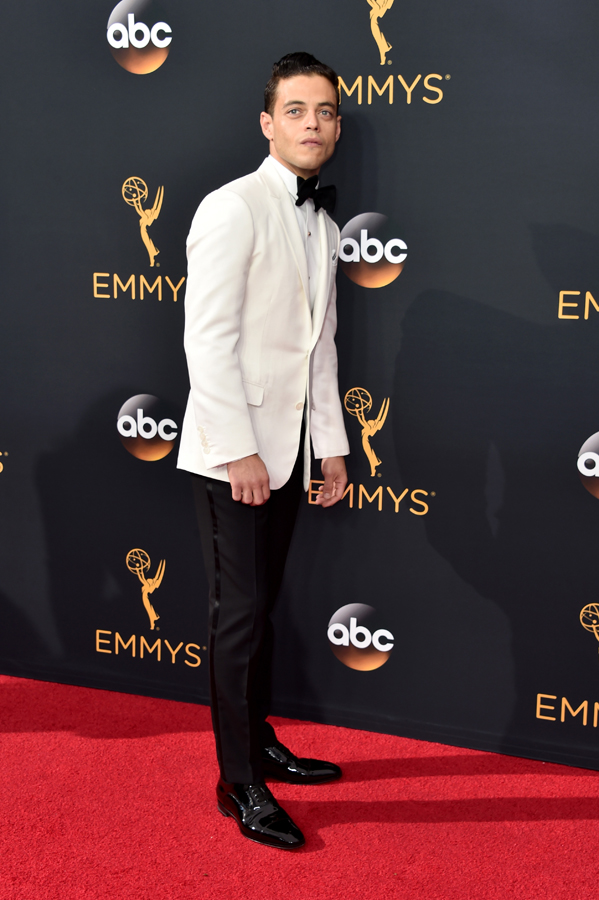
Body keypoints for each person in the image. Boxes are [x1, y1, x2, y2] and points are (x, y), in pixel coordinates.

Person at [177, 52, 350, 850]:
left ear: (336, 127)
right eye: (296, 110)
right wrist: (237, 450)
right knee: (239, 617)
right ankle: (238, 781)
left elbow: (319, 348)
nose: (312, 123)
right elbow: (205, 341)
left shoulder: (324, 223)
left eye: (325, 111)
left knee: (261, 612)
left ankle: (261, 741)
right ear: (267, 123)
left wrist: (331, 445)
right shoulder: (232, 207)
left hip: (290, 450)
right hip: (235, 456)